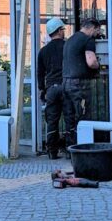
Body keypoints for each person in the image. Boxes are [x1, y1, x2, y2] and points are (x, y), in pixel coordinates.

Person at [62, 18, 102, 149]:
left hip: (66, 83)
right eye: (97, 31)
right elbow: (91, 62)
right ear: (92, 28)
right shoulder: (88, 40)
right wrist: (99, 65)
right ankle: (84, 149)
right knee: (83, 116)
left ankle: (70, 149)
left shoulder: (70, 40)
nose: (98, 34)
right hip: (80, 84)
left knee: (70, 117)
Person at [36, 17, 66, 159]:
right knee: (70, 118)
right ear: (59, 31)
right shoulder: (67, 47)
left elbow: (40, 73)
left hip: (51, 89)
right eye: (63, 29)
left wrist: (42, 89)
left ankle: (52, 151)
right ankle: (69, 150)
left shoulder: (43, 51)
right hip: (66, 86)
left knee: (52, 121)